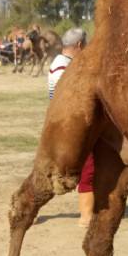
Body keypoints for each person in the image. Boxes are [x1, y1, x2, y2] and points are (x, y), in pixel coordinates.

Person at [47, 28, 94, 226]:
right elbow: (68, 101)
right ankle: (86, 217)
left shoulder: (64, 64)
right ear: (79, 46)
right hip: (69, 127)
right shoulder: (62, 68)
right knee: (88, 169)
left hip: (66, 125)